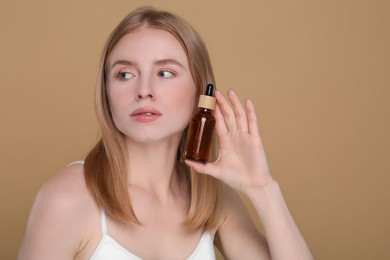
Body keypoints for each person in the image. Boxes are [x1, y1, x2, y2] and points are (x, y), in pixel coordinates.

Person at [18, 6, 313, 260]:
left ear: (201, 91)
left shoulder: (211, 197)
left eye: (165, 73)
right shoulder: (69, 197)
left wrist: (262, 189)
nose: (144, 90)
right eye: (124, 74)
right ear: (105, 91)